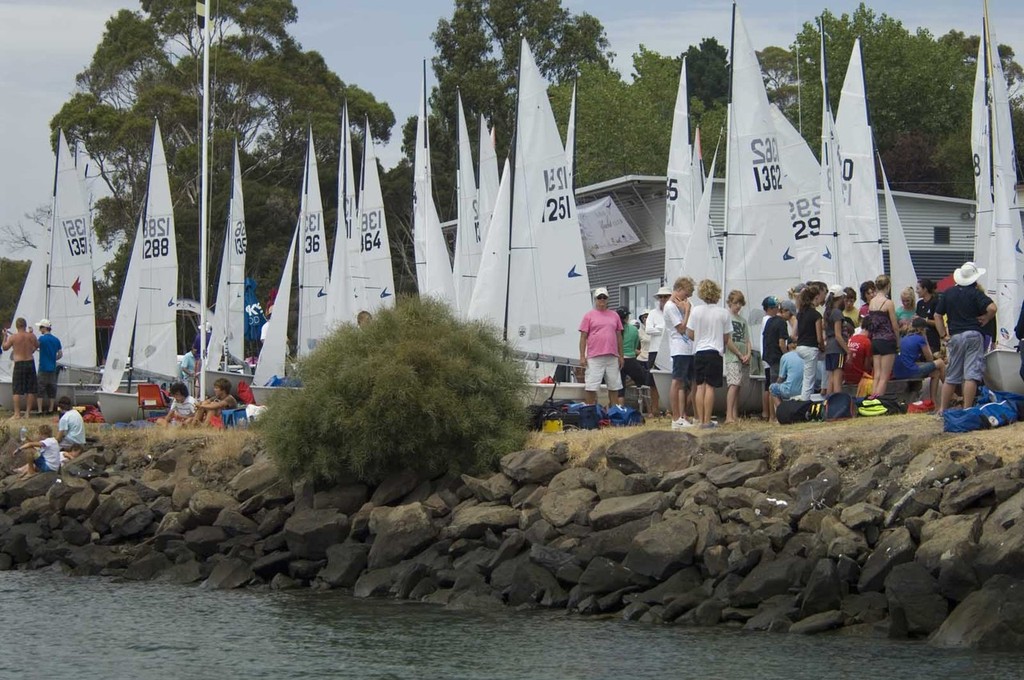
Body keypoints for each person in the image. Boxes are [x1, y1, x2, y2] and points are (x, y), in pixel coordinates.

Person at [935, 262, 996, 413]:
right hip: (974, 335)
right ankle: (967, 409)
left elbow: (937, 315)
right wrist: (986, 318)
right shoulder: (976, 293)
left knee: (952, 375)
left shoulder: (948, 293)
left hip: (955, 336)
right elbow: (992, 308)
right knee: (971, 375)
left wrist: (943, 335)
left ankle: (942, 409)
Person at [686, 279, 731, 428]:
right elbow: (726, 337)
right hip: (714, 351)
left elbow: (690, 333)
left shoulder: (696, 311)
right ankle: (707, 420)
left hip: (699, 351)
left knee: (700, 386)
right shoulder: (723, 312)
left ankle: (700, 419)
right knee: (710, 386)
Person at [578, 287, 623, 407]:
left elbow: (619, 336)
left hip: (612, 356)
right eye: (599, 297)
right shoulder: (588, 316)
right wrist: (582, 356)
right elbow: (583, 337)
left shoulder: (614, 315)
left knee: (614, 386)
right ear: (595, 299)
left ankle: (614, 412)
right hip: (594, 356)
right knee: (591, 386)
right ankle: (590, 410)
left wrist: (621, 356)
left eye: (604, 297)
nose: (602, 300)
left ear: (607, 299)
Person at [665, 277, 695, 429]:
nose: (687, 297)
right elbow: (681, 328)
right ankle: (676, 417)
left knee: (691, 383)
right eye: (687, 293)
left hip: (689, 348)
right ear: (679, 290)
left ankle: (684, 415)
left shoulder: (682, 304)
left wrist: (686, 309)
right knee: (677, 381)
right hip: (679, 348)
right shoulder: (670, 306)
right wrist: (687, 310)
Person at [893, 326, 946, 405]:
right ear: (922, 330)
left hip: (897, 373)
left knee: (936, 373)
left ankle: (933, 403)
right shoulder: (920, 339)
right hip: (910, 371)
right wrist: (926, 340)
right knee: (940, 362)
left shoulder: (902, 338)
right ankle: (950, 393)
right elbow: (930, 359)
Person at [868, 275, 900, 399]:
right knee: (885, 376)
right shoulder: (888, 303)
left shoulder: (872, 302)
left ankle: (872, 397)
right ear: (888, 286)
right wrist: (898, 342)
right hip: (887, 340)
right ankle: (878, 399)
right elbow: (895, 325)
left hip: (875, 340)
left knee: (877, 374)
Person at [723, 290, 751, 425]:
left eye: (740, 303)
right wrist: (739, 354)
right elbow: (727, 340)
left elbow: (747, 340)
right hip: (732, 356)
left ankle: (735, 414)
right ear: (729, 303)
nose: (738, 306)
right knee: (733, 384)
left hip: (743, 356)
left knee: (738, 385)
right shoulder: (726, 317)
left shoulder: (743, 320)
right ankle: (729, 415)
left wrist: (748, 354)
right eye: (735, 303)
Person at [2, 318, 39, 418]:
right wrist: (31, 351)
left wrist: (5, 336)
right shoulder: (31, 336)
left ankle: (17, 413)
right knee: (30, 389)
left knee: (17, 389)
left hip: (19, 363)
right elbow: (37, 345)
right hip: (30, 362)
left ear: (17, 326)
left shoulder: (13, 337)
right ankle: (27, 413)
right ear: (25, 325)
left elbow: (5, 347)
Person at [761, 297, 788, 422]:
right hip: (778, 358)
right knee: (779, 386)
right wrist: (787, 355)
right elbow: (782, 342)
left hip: (769, 358)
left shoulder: (768, 322)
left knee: (771, 387)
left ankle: (772, 417)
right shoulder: (781, 322)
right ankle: (780, 414)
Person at [794, 287, 823, 401]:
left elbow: (793, 334)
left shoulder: (800, 313)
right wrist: (823, 347)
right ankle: (805, 401)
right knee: (809, 378)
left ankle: (806, 397)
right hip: (811, 348)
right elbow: (819, 338)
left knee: (807, 375)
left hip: (800, 346)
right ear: (815, 298)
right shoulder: (816, 315)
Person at [616, 307, 649, 409]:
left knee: (620, 389)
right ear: (627, 317)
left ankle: (620, 411)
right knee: (644, 381)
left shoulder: (614, 329)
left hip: (617, 360)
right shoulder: (634, 329)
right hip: (630, 359)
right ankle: (649, 410)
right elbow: (635, 347)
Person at [823, 286, 850, 395]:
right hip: (837, 348)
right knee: (837, 379)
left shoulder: (827, 312)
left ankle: (829, 402)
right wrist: (848, 351)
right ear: (840, 298)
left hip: (829, 347)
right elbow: (838, 335)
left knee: (831, 378)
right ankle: (838, 403)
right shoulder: (837, 313)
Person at [35, 319, 63, 415]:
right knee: (52, 389)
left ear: (44, 328)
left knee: (40, 389)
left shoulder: (41, 339)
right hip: (52, 368)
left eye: (40, 327)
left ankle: (39, 410)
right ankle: (51, 409)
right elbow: (60, 354)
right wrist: (53, 359)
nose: (39, 330)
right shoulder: (56, 340)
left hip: (43, 367)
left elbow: (35, 346)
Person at [636, 310, 660, 417]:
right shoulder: (639, 332)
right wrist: (639, 352)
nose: (645, 319)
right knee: (645, 386)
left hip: (654, 356)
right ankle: (649, 410)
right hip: (642, 359)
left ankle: (658, 408)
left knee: (657, 384)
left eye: (647, 317)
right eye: (643, 317)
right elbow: (635, 347)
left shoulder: (655, 329)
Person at [769, 339, 803, 406]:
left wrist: (777, 383)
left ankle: (781, 410)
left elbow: (781, 378)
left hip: (790, 390)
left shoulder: (785, 357)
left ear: (788, 345)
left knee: (772, 388)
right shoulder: (805, 356)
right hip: (805, 390)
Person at [645, 286, 671, 372]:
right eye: (660, 297)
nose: (663, 299)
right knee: (652, 377)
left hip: (669, 349)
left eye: (666, 296)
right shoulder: (653, 313)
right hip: (654, 350)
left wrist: (657, 328)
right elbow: (648, 330)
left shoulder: (674, 311)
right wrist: (663, 329)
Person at [843, 317, 874, 387]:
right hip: (860, 378)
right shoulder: (867, 342)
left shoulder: (851, 338)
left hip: (847, 377)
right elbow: (867, 367)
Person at [915, 278, 942, 353]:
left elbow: (939, 322)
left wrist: (924, 320)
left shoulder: (935, 302)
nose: (916, 291)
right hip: (920, 338)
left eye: (918, 288)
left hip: (932, 339)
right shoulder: (919, 303)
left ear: (925, 289)